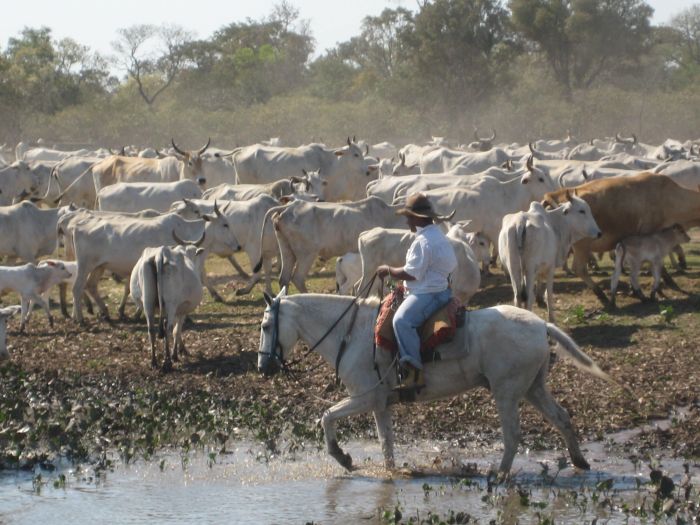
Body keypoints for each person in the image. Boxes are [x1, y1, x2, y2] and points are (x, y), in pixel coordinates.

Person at [376, 192, 457, 392]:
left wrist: (388, 270)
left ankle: (414, 372)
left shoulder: (423, 241)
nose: (407, 222)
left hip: (429, 293)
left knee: (401, 321)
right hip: (442, 289)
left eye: (409, 217)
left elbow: (411, 273)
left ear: (417, 218)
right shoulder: (438, 235)